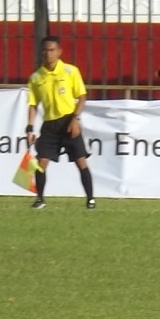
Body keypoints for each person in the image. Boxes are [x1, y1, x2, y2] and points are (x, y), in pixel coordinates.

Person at [23, 35, 96, 210]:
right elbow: (33, 104)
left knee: (80, 161)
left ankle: (91, 199)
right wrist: (30, 128)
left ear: (59, 52)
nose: (48, 54)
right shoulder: (36, 77)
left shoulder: (70, 71)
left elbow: (82, 96)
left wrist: (75, 118)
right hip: (49, 124)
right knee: (41, 163)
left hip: (68, 121)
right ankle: (40, 199)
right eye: (45, 50)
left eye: (52, 50)